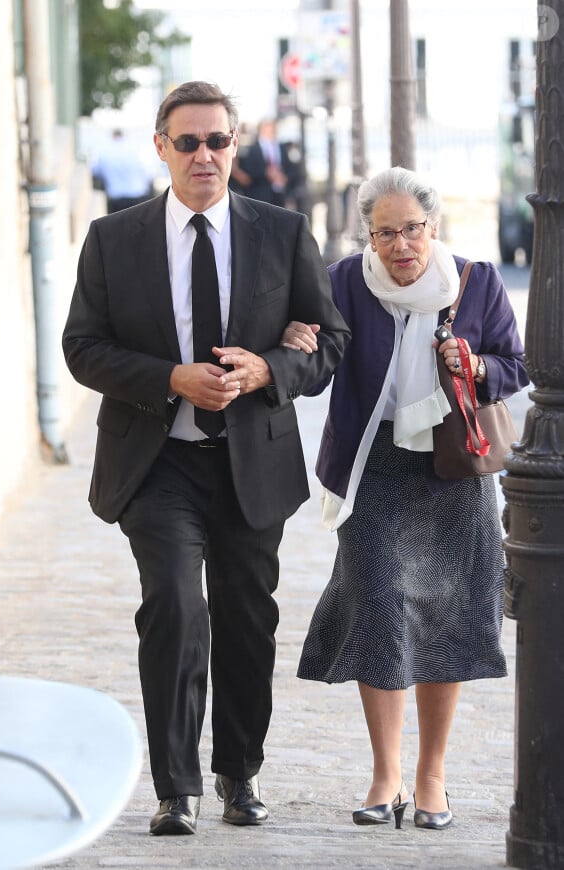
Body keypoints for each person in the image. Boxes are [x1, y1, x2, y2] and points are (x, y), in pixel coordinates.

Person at [62, 81, 349, 837]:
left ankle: (239, 773)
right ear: (161, 147)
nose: (204, 156)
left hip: (252, 464)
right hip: (158, 463)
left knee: (248, 620)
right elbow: (82, 349)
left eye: (217, 141)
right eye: (187, 142)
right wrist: (169, 378)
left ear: (235, 146)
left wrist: (267, 370)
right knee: (176, 611)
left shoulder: (282, 234)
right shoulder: (112, 239)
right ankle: (176, 787)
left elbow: (331, 344)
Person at [286, 166, 529, 830]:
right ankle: (386, 772)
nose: (400, 246)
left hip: (454, 469)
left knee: (446, 616)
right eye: (384, 232)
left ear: (434, 227)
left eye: (411, 230)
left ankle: (432, 777)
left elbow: (517, 364)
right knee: (381, 606)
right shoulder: (341, 283)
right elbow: (313, 370)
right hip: (375, 467)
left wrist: (476, 367)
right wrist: (296, 342)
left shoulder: (475, 282)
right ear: (368, 234)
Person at [230, 118, 291, 207]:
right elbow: (247, 171)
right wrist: (266, 173)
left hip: (280, 195)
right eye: (270, 128)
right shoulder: (251, 149)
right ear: (262, 129)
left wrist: (284, 177)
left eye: (274, 128)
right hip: (260, 195)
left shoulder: (282, 147)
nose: (273, 131)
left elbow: (290, 168)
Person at [91, 128, 154, 213]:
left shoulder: (105, 152)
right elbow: (149, 175)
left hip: (117, 200)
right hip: (139, 198)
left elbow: (96, 172)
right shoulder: (136, 149)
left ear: (113, 136)